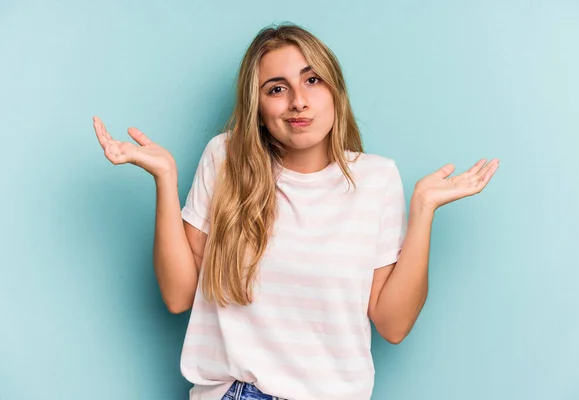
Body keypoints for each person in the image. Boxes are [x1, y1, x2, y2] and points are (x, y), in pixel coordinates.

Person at [93, 23, 499, 400]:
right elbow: (178, 296)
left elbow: (392, 326)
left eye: (312, 80)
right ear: (259, 109)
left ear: (335, 91)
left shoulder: (377, 179)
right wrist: (165, 179)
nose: (298, 101)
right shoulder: (226, 157)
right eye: (276, 89)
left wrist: (424, 210)